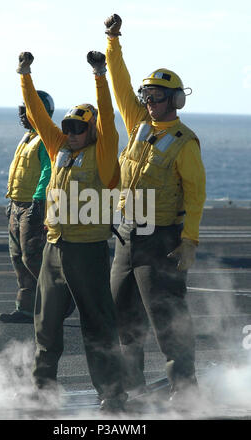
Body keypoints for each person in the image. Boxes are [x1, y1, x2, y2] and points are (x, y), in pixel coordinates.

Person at [15, 50, 127, 413]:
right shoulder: (59, 147)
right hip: (54, 250)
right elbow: (36, 114)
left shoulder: (105, 153)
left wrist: (100, 74)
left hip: (88, 251)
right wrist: (25, 74)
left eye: (78, 128)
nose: (71, 133)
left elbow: (108, 117)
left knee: (98, 328)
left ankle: (112, 396)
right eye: (67, 127)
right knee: (45, 328)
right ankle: (41, 391)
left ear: (91, 129)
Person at [104, 14, 206, 410]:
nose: (148, 101)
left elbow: (196, 194)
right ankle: (132, 387)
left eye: (157, 97)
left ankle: (185, 390)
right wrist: (113, 39)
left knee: (167, 321)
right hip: (127, 235)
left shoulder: (184, 142)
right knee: (122, 318)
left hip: (161, 238)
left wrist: (189, 241)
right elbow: (119, 85)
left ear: (176, 100)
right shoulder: (138, 126)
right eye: (147, 96)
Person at [0, 92, 54, 324]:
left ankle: (56, 302)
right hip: (17, 205)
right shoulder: (28, 137)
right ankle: (26, 308)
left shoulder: (46, 139)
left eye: (26, 110)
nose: (21, 115)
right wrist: (11, 201)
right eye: (21, 110)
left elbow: (47, 172)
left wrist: (39, 202)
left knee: (33, 257)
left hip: (32, 206)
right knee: (18, 257)